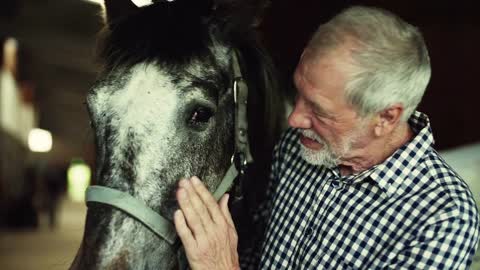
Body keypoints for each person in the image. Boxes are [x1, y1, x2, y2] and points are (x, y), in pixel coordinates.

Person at [173, 6, 480, 270]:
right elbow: (259, 253)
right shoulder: (300, 145)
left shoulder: (443, 220)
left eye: (319, 111)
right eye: (298, 93)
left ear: (386, 118)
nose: (294, 120)